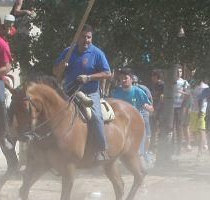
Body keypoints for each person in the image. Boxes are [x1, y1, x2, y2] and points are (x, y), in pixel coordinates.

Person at [53, 24, 113, 162]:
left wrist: (89, 77)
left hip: (89, 93)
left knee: (96, 117)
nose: (86, 40)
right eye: (83, 37)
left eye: (89, 37)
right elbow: (55, 71)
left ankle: (101, 149)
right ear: (77, 37)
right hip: (68, 92)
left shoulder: (97, 53)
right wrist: (61, 66)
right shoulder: (68, 52)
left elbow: (108, 73)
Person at [111, 68, 153, 159]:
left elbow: (151, 109)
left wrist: (147, 107)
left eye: (125, 78)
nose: (123, 80)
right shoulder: (117, 92)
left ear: (131, 79)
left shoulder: (138, 92)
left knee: (142, 137)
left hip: (136, 123)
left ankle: (142, 155)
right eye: (121, 79)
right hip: (121, 123)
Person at [171, 65, 190, 155]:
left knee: (179, 128)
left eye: (180, 71)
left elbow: (188, 94)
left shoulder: (184, 82)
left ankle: (179, 149)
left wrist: (181, 92)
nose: (179, 73)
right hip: (171, 107)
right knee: (171, 128)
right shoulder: (171, 81)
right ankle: (172, 148)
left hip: (180, 107)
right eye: (177, 71)